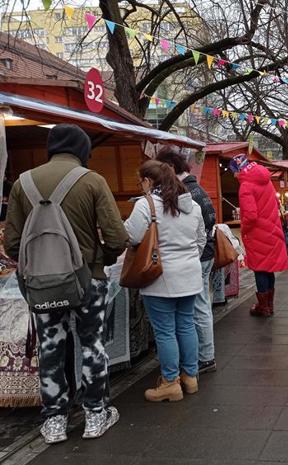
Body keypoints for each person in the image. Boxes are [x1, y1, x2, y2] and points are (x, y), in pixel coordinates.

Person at [4, 124, 127, 444]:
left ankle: (55, 421)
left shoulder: (22, 183)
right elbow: (117, 237)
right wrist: (101, 259)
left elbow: (13, 245)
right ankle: (95, 415)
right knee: (92, 345)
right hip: (89, 281)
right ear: (82, 150)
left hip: (42, 284)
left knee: (50, 347)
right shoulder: (93, 180)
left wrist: (41, 265)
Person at [124, 160, 206, 402]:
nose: (141, 186)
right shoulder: (192, 205)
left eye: (140, 182)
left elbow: (131, 236)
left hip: (160, 278)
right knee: (186, 325)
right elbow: (201, 240)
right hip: (190, 276)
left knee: (165, 331)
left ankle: (170, 382)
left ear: (148, 181)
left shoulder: (146, 204)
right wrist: (188, 259)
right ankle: (190, 377)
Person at [155, 148, 218, 374]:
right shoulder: (196, 188)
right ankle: (201, 357)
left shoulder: (186, 191)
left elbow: (196, 231)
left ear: (170, 168)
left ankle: (205, 358)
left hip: (196, 257)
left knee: (196, 310)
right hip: (201, 255)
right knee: (197, 309)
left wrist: (192, 253)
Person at [230, 154, 288, 317]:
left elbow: (250, 216)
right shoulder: (266, 180)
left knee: (260, 269)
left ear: (238, 169)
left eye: (233, 171)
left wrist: (244, 230)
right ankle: (269, 304)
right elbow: (275, 203)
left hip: (257, 234)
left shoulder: (246, 186)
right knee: (268, 269)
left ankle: (263, 307)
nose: (233, 175)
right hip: (272, 230)